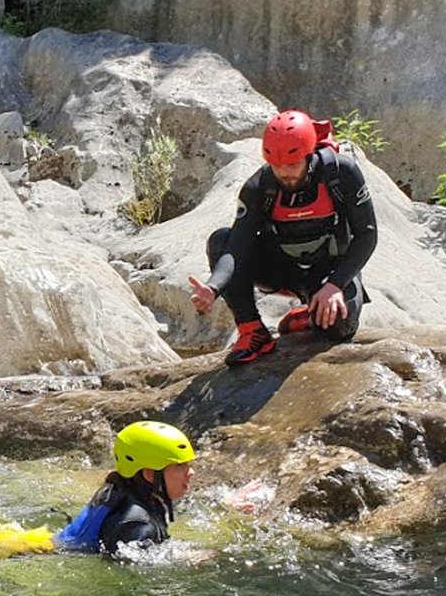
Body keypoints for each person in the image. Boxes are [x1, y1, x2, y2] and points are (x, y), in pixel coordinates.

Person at [188, 109, 377, 366]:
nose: (284, 172)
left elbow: (367, 235)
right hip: (281, 269)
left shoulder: (341, 174)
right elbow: (236, 247)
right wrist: (213, 287)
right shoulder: (260, 187)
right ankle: (252, 331)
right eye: (276, 166)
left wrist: (335, 285)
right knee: (220, 239)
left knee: (338, 328)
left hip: (329, 271)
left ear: (309, 154)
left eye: (292, 164)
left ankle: (307, 315)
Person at [53, 421, 196, 558]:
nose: (190, 472)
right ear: (150, 473)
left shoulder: (123, 488)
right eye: (180, 466)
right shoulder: (138, 525)